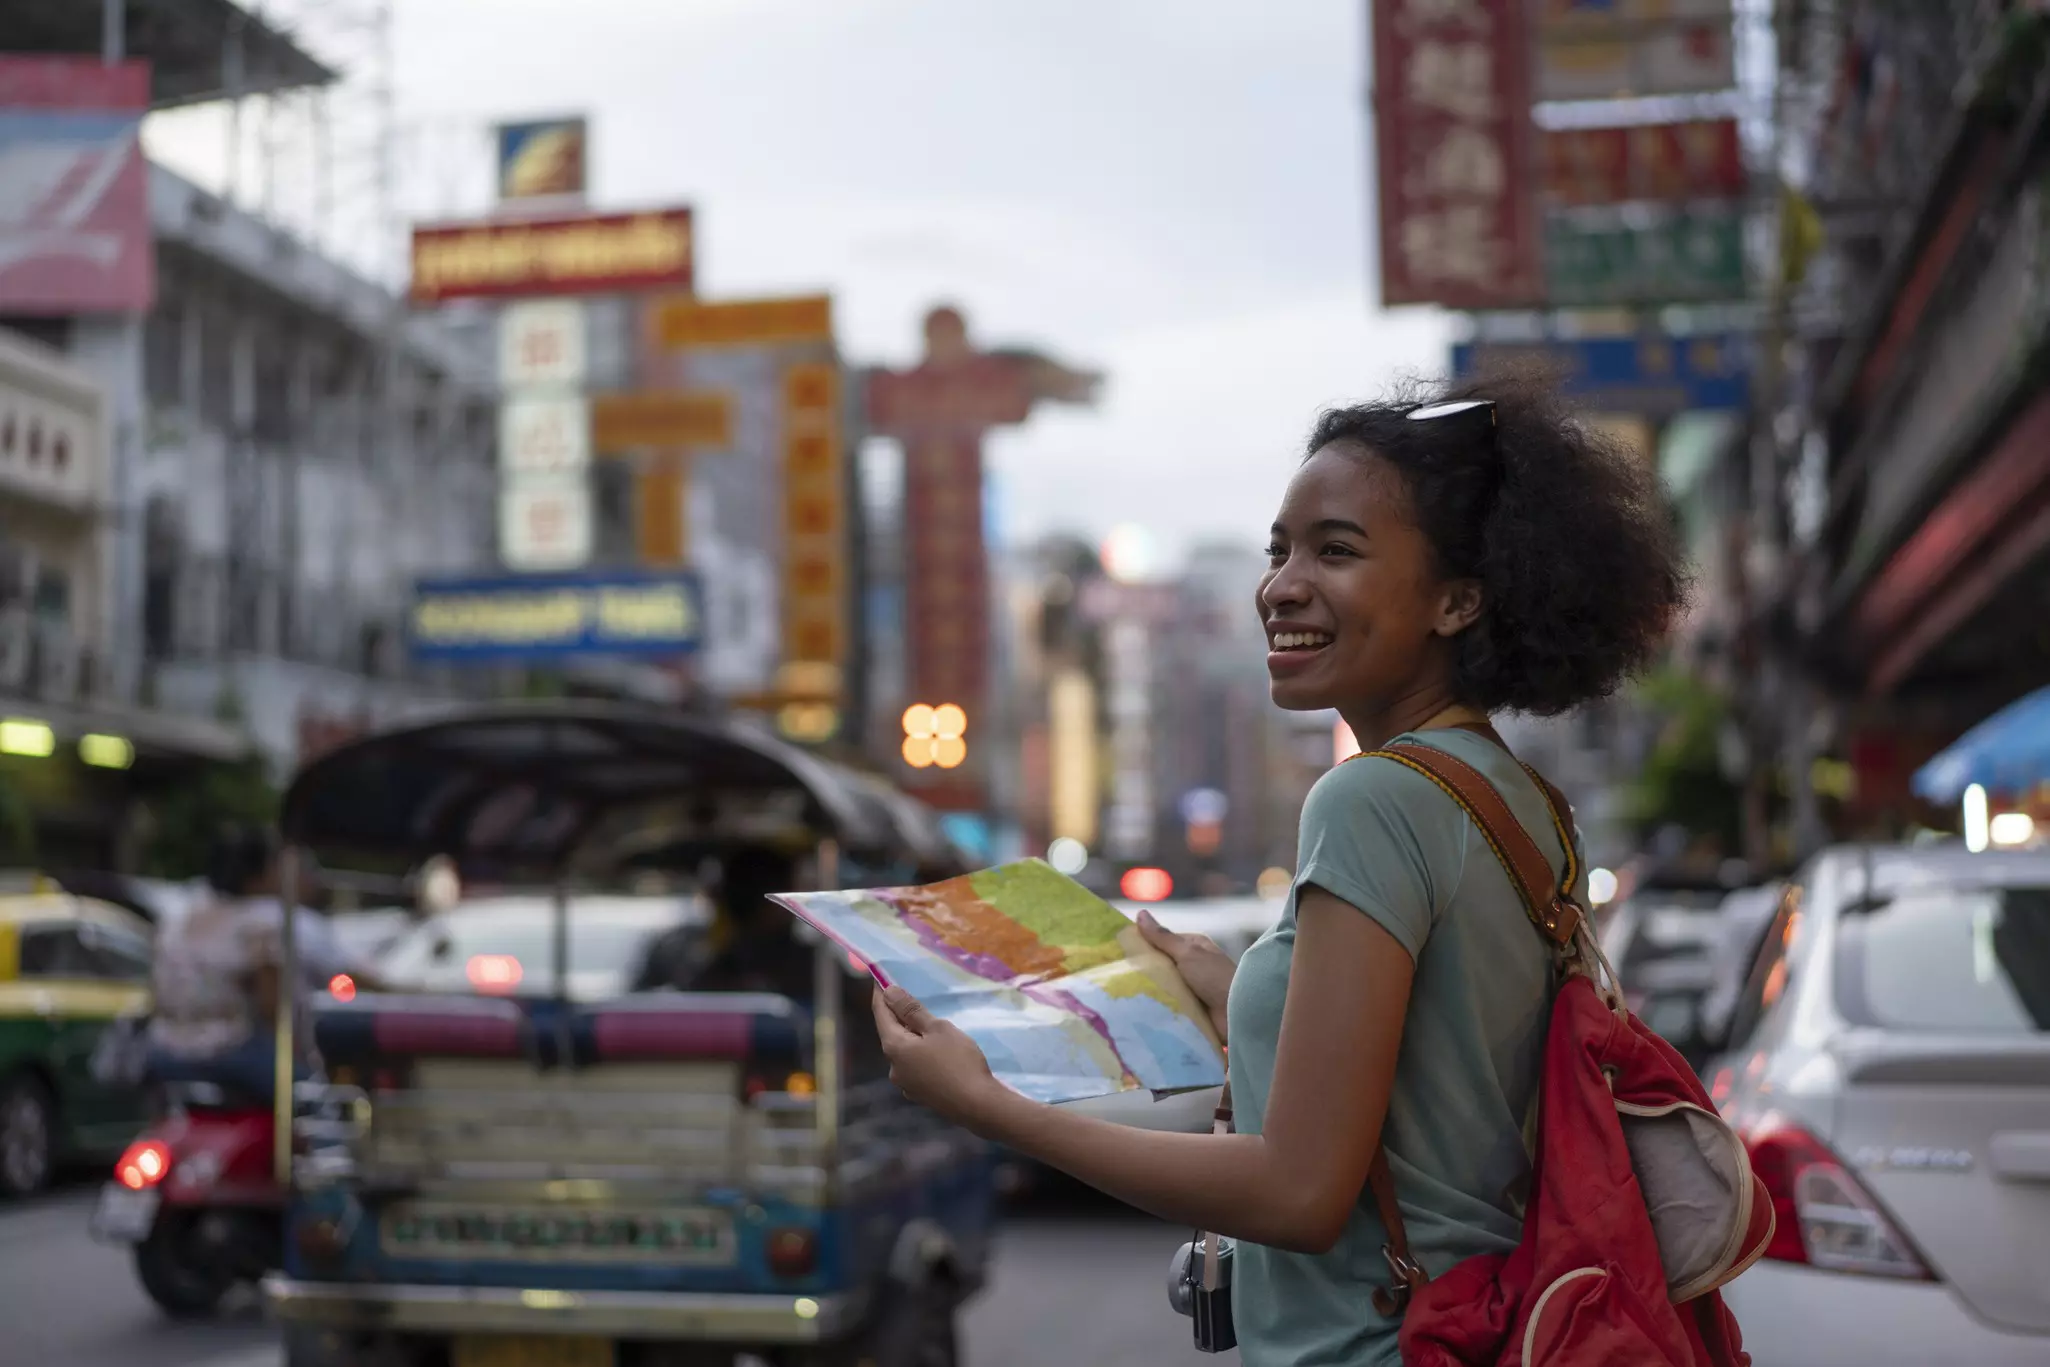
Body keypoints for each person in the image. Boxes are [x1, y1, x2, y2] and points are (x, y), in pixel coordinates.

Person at [870, 374, 1686, 1366]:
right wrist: (1241, 988)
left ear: (1458, 598)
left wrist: (990, 1107)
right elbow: (1445, 1073)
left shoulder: (1371, 797)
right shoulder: (1520, 801)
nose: (1281, 585)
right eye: (1278, 548)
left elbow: (1299, 1192)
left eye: (1335, 550)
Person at [147, 822, 362, 1102]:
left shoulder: (179, 917)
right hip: (227, 1054)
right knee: (316, 1097)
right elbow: (273, 1007)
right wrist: (299, 1055)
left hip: (164, 1053)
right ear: (259, 872)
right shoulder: (264, 919)